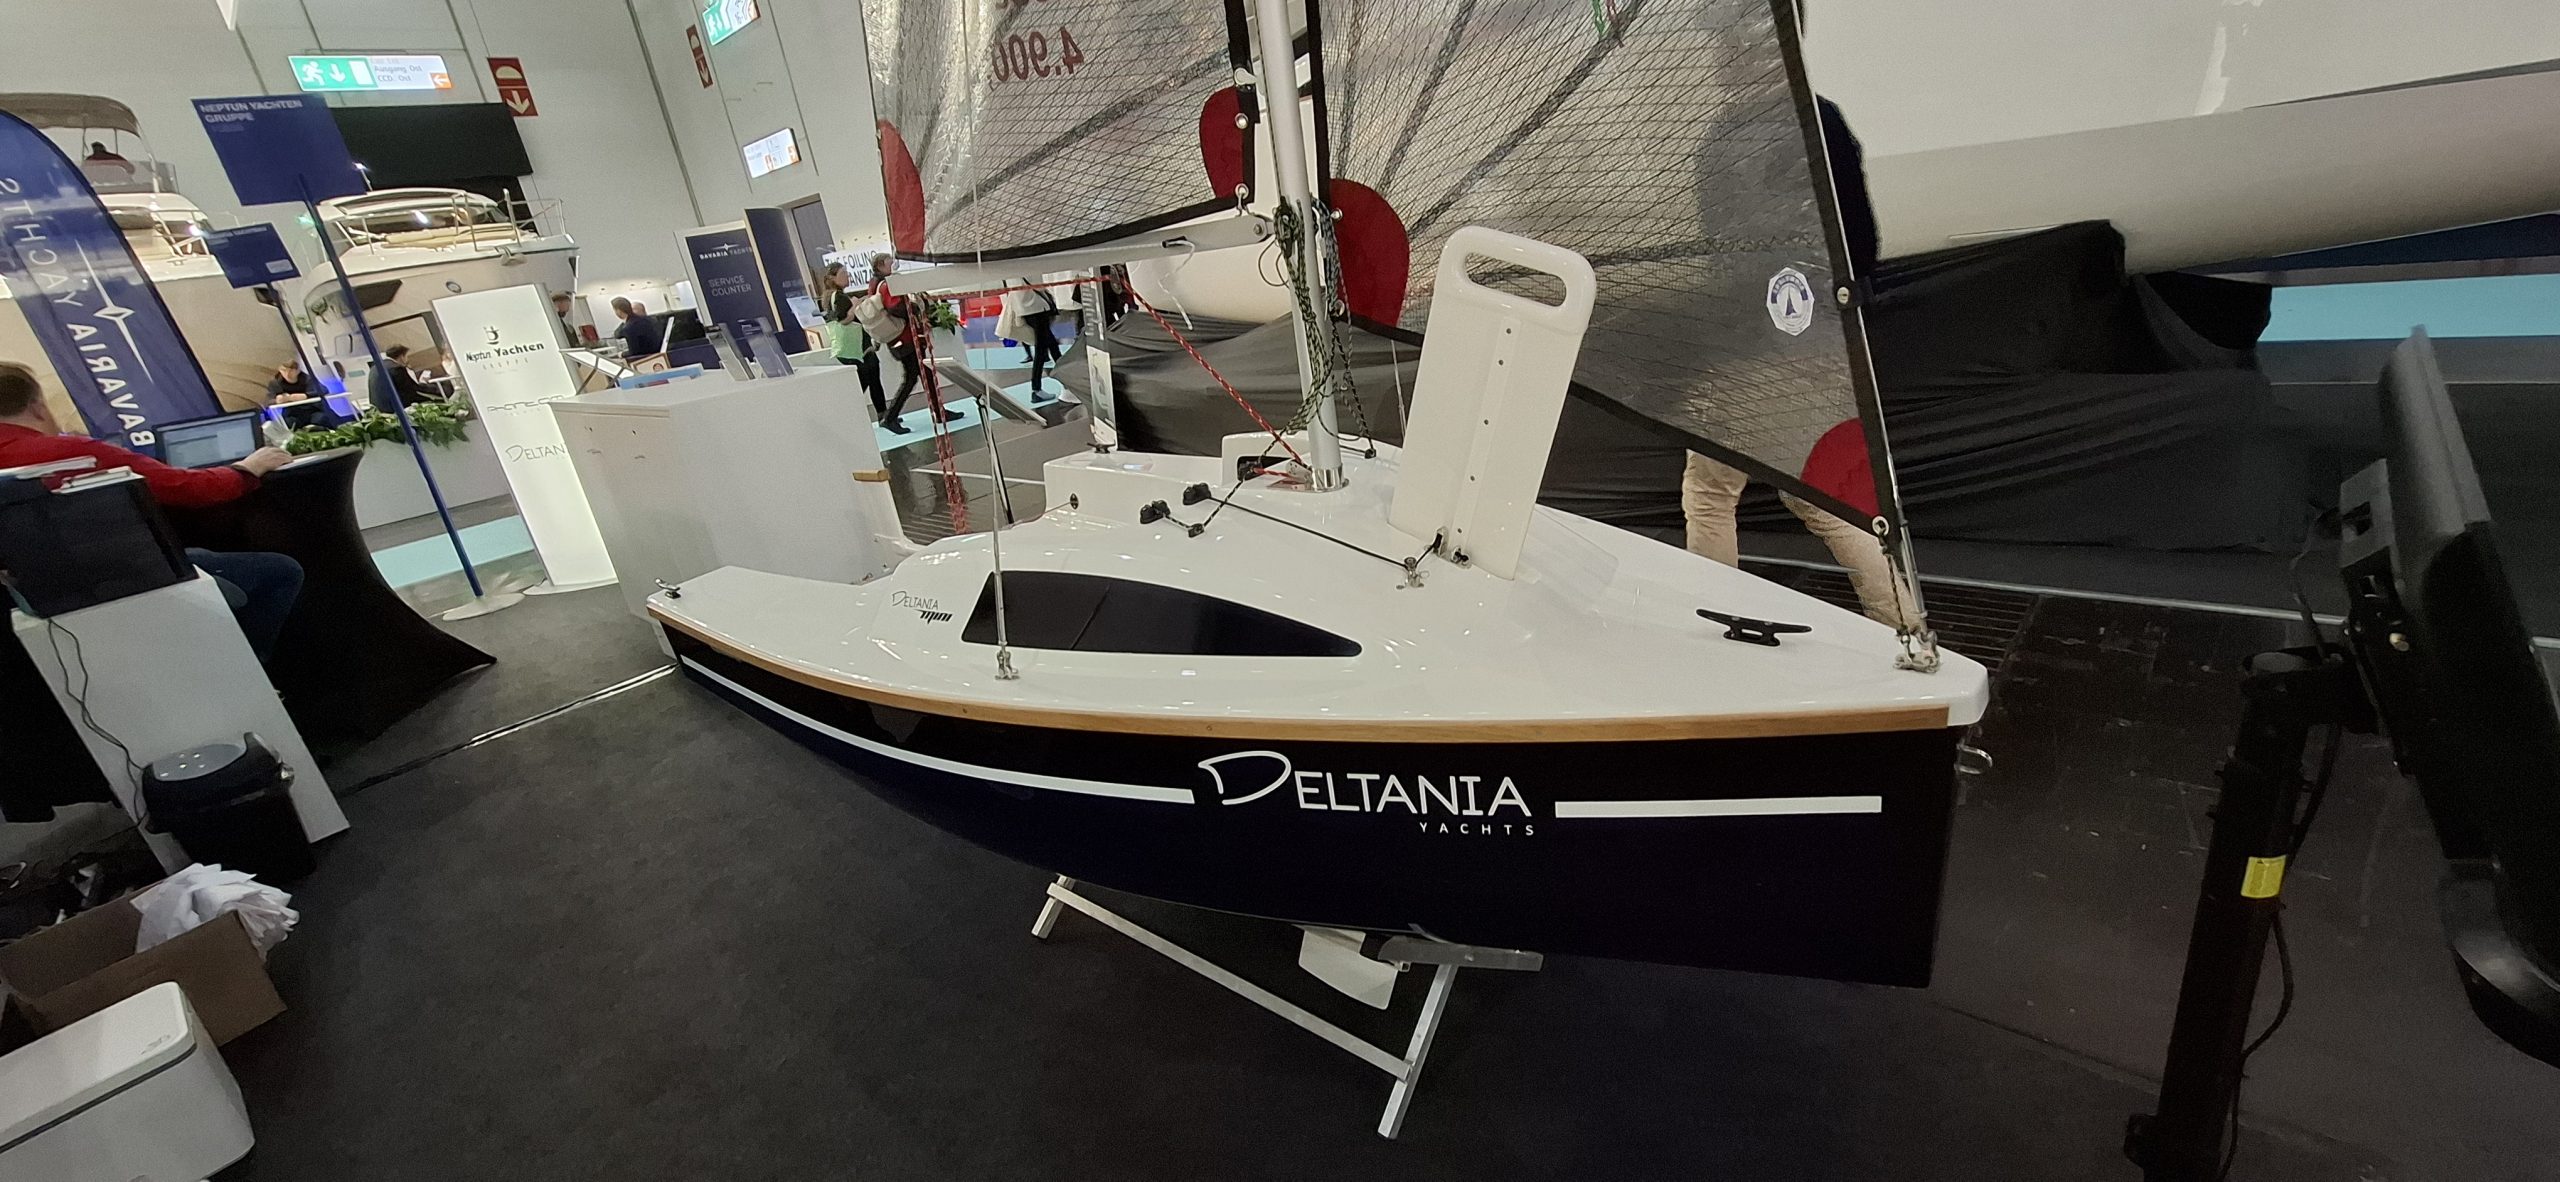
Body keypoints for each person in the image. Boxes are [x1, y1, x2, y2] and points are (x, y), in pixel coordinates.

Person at [0, 362, 303, 657]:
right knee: (279, 572)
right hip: (125, 577)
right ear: (37, 406)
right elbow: (188, 488)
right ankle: (246, 667)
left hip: (39, 595)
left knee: (202, 555)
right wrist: (247, 468)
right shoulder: (73, 453)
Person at [869, 254, 957, 434]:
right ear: (881, 265)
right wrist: (915, 309)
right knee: (912, 377)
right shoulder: (886, 286)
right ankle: (890, 417)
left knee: (923, 373)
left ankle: (938, 411)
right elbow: (895, 307)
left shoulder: (878, 285)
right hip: (905, 338)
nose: (894, 265)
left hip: (902, 337)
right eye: (890, 262)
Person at [819, 263, 887, 418]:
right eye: (843, 273)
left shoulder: (830, 297)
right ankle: (851, 413)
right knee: (868, 380)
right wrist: (855, 305)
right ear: (832, 278)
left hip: (855, 348)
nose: (847, 276)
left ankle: (883, 414)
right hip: (858, 347)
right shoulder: (839, 297)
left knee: (872, 379)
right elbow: (844, 319)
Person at [1006, 278, 1064, 399]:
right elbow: (1037, 283)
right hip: (1036, 308)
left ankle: (1066, 381)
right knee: (1043, 349)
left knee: (1051, 345)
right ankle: (1037, 388)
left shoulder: (1009, 275)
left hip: (1025, 309)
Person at [370, 345, 439, 412]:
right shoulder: (397, 368)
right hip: (396, 409)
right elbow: (412, 390)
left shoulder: (375, 367)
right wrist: (436, 392)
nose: (407, 360)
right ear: (401, 357)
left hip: (380, 410)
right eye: (407, 356)